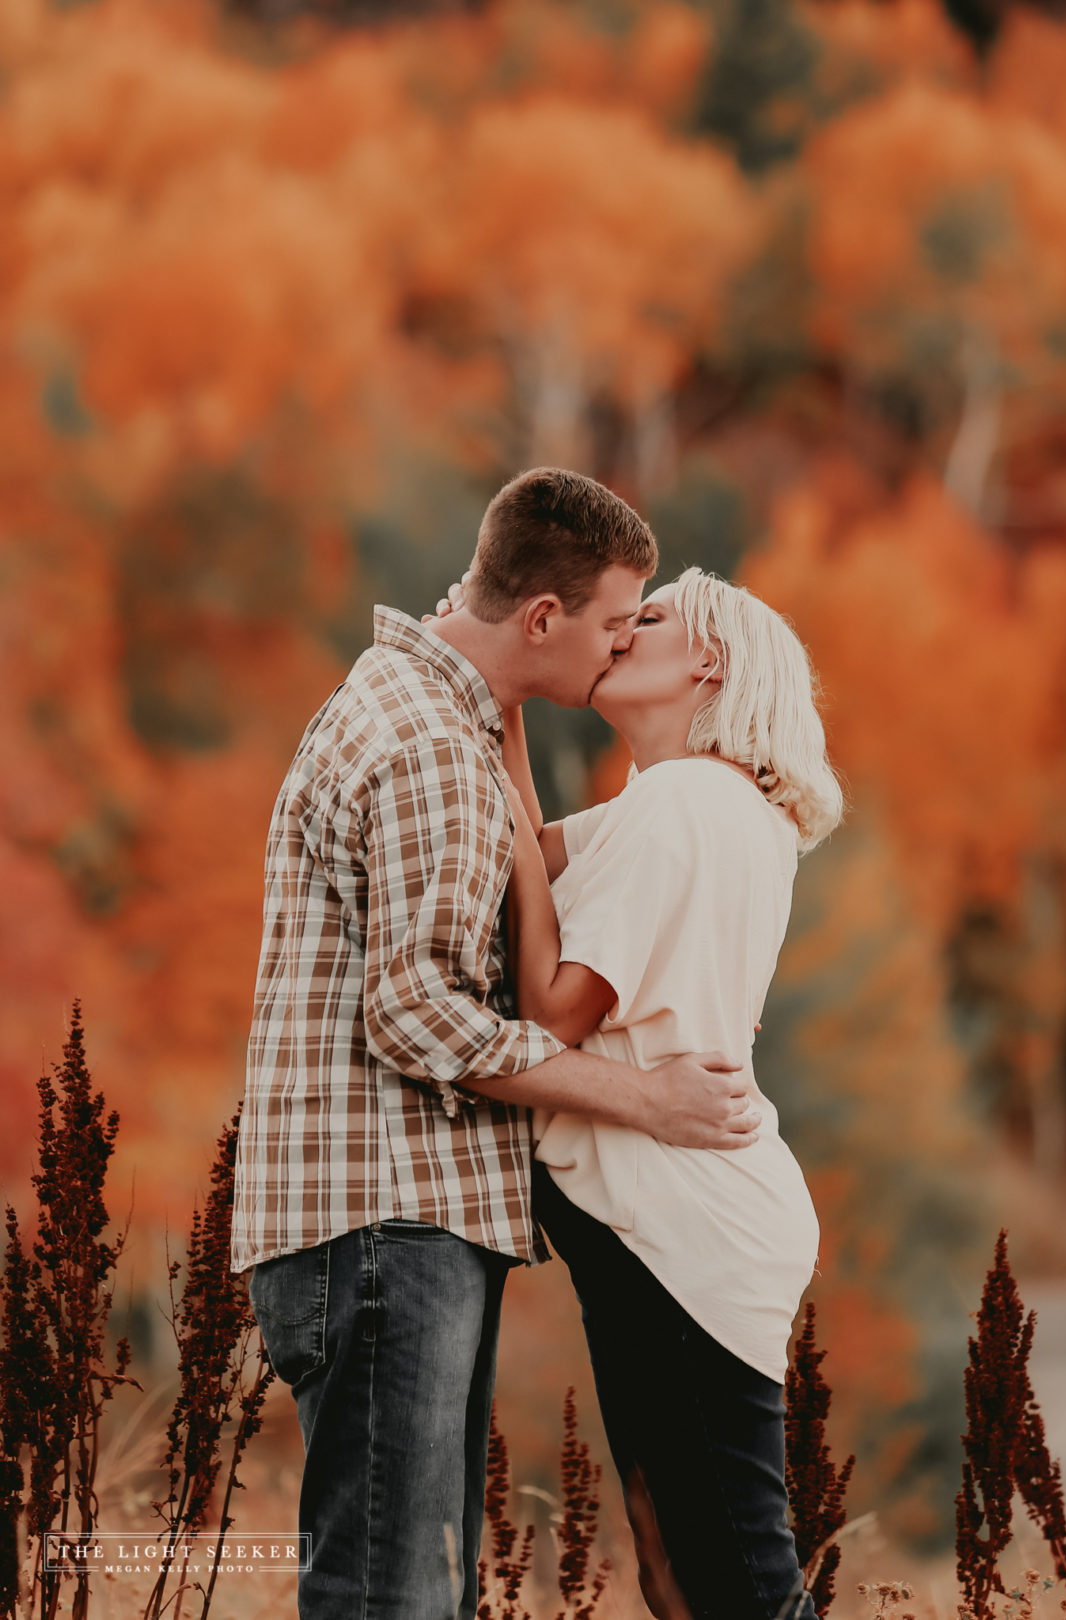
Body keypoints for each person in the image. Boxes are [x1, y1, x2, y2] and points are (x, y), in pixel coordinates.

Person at [229, 470, 762, 1620]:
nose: (621, 646)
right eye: (617, 624)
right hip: (384, 1220)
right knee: (396, 1597)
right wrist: (647, 1100)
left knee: (418, 1590)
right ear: (542, 621)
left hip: (396, 1221)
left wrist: (507, 713)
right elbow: (415, 1010)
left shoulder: (441, 718)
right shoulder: (427, 743)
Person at [496, 566, 845, 1620]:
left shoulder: (688, 805)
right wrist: (503, 688)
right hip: (675, 1217)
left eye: (646, 618)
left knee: (734, 1584)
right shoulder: (687, 802)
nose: (617, 633)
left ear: (710, 662)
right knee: (675, 1574)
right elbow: (520, 853)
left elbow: (551, 1003)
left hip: (682, 1224)